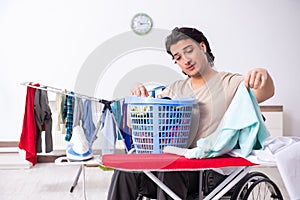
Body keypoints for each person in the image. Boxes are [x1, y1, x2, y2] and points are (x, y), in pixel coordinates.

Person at [107, 27, 275, 200]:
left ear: (202, 47)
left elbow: (265, 92)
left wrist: (263, 75)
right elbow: (150, 118)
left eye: (189, 51)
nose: (186, 60)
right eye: (178, 57)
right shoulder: (175, 89)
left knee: (172, 169)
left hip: (210, 173)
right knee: (126, 170)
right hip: (174, 167)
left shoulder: (229, 83)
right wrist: (137, 91)